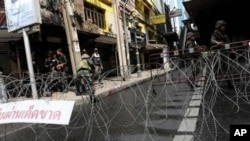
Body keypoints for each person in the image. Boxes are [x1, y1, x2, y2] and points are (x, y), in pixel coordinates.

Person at [210, 20, 234, 87]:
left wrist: (231, 50)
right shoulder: (215, 33)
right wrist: (217, 42)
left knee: (226, 68)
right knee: (217, 69)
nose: (224, 27)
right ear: (219, 26)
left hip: (224, 53)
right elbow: (212, 40)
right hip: (217, 53)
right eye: (222, 26)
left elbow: (228, 43)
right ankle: (215, 83)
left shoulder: (224, 34)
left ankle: (229, 83)